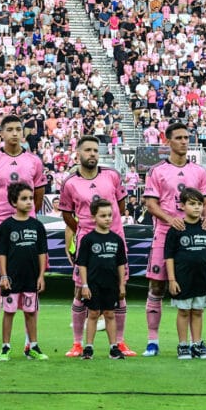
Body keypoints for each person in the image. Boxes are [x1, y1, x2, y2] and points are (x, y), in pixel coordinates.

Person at [0, 115, 46, 358]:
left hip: (26, 231)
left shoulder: (34, 161)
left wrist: (27, 217)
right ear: (1, 134)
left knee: (29, 289)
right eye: (10, 130)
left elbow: (38, 196)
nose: (15, 133)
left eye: (18, 129)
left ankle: (30, 344)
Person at [59, 135, 134, 357]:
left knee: (120, 291)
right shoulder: (70, 183)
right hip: (87, 247)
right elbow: (66, 214)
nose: (92, 154)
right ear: (78, 154)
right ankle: (77, 343)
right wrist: (82, 230)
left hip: (114, 242)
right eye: (88, 150)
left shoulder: (111, 176)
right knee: (81, 291)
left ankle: (119, 342)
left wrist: (111, 229)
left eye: (95, 150)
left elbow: (119, 205)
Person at [142, 123, 206, 357]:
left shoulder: (199, 172)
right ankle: (153, 341)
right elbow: (151, 204)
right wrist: (170, 219)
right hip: (165, 235)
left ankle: (195, 343)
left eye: (186, 137)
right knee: (157, 286)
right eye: (179, 137)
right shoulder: (157, 171)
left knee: (193, 289)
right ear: (167, 141)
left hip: (193, 237)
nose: (184, 141)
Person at [0, 181, 49, 361]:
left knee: (31, 312)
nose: (29, 202)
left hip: (31, 278)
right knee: (9, 312)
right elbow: (2, 253)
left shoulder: (37, 226)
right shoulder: (6, 226)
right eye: (24, 198)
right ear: (13, 202)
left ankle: (33, 346)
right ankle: (5, 347)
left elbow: (42, 252)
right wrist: (3, 275)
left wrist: (41, 275)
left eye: (31, 198)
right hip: (12, 278)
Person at [165, 187, 206, 360]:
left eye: (199, 204)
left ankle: (197, 344)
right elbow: (169, 256)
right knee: (183, 312)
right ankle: (183, 346)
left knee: (198, 311)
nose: (196, 207)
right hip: (182, 278)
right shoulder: (176, 228)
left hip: (202, 278)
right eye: (192, 204)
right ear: (182, 206)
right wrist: (172, 279)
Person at [76, 198, 128, 360]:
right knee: (92, 313)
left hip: (111, 284)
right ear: (93, 218)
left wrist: (122, 285)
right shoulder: (88, 239)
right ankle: (88, 347)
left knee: (110, 314)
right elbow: (82, 264)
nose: (107, 219)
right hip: (93, 284)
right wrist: (84, 285)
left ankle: (114, 348)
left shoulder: (116, 239)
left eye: (109, 215)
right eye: (103, 215)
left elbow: (120, 264)